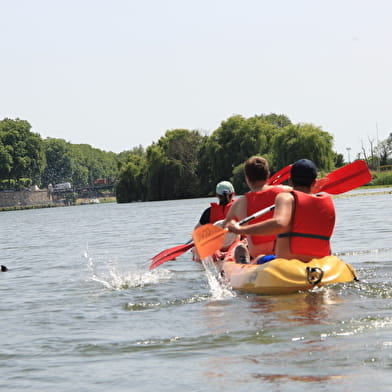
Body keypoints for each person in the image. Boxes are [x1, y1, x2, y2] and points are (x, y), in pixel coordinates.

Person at [225, 159, 335, 263]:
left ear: (290, 181)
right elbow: (303, 195)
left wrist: (240, 229)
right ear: (314, 182)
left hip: (282, 263)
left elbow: (279, 224)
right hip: (319, 263)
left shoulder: (286, 198)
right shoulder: (325, 199)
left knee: (255, 255)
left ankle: (247, 263)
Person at [221, 156, 291, 262]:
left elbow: (224, 226)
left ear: (247, 179)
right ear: (268, 175)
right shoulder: (286, 191)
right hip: (285, 254)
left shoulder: (239, 204)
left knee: (241, 247)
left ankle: (245, 261)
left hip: (259, 256)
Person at [192, 181, 237, 261]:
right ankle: (229, 257)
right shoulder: (240, 209)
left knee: (195, 248)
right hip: (234, 247)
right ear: (233, 194)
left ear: (217, 195)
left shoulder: (209, 212)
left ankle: (217, 256)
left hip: (215, 248)